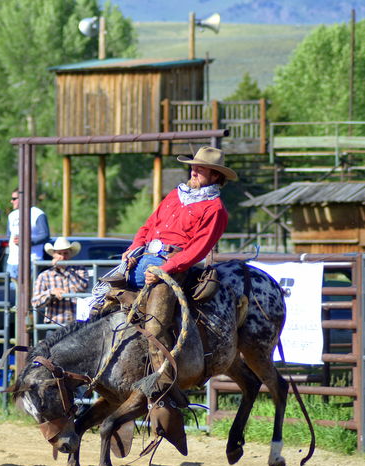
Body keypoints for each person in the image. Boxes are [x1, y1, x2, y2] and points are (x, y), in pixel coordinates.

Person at [102, 146, 237, 400]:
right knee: (102, 300)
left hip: (173, 266)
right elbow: (147, 226)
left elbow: (197, 249)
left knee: (155, 325)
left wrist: (164, 270)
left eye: (201, 168)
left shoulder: (215, 209)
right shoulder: (176, 195)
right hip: (144, 257)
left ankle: (162, 388)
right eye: (194, 166)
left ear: (216, 176)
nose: (194, 171)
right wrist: (133, 249)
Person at [31, 237, 89, 331]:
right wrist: (51, 293)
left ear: (70, 254)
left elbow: (82, 287)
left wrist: (65, 269)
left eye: (65, 253)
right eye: (59, 253)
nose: (62, 257)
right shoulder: (44, 275)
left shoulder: (80, 270)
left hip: (76, 325)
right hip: (54, 325)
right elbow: (35, 302)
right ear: (53, 255)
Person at [6, 189, 50, 281]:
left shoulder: (37, 213)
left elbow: (45, 235)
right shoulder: (12, 215)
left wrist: (27, 242)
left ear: (22, 198)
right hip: (12, 262)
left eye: (14, 199)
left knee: (32, 293)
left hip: (32, 261)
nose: (11, 201)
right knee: (13, 293)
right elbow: (9, 235)